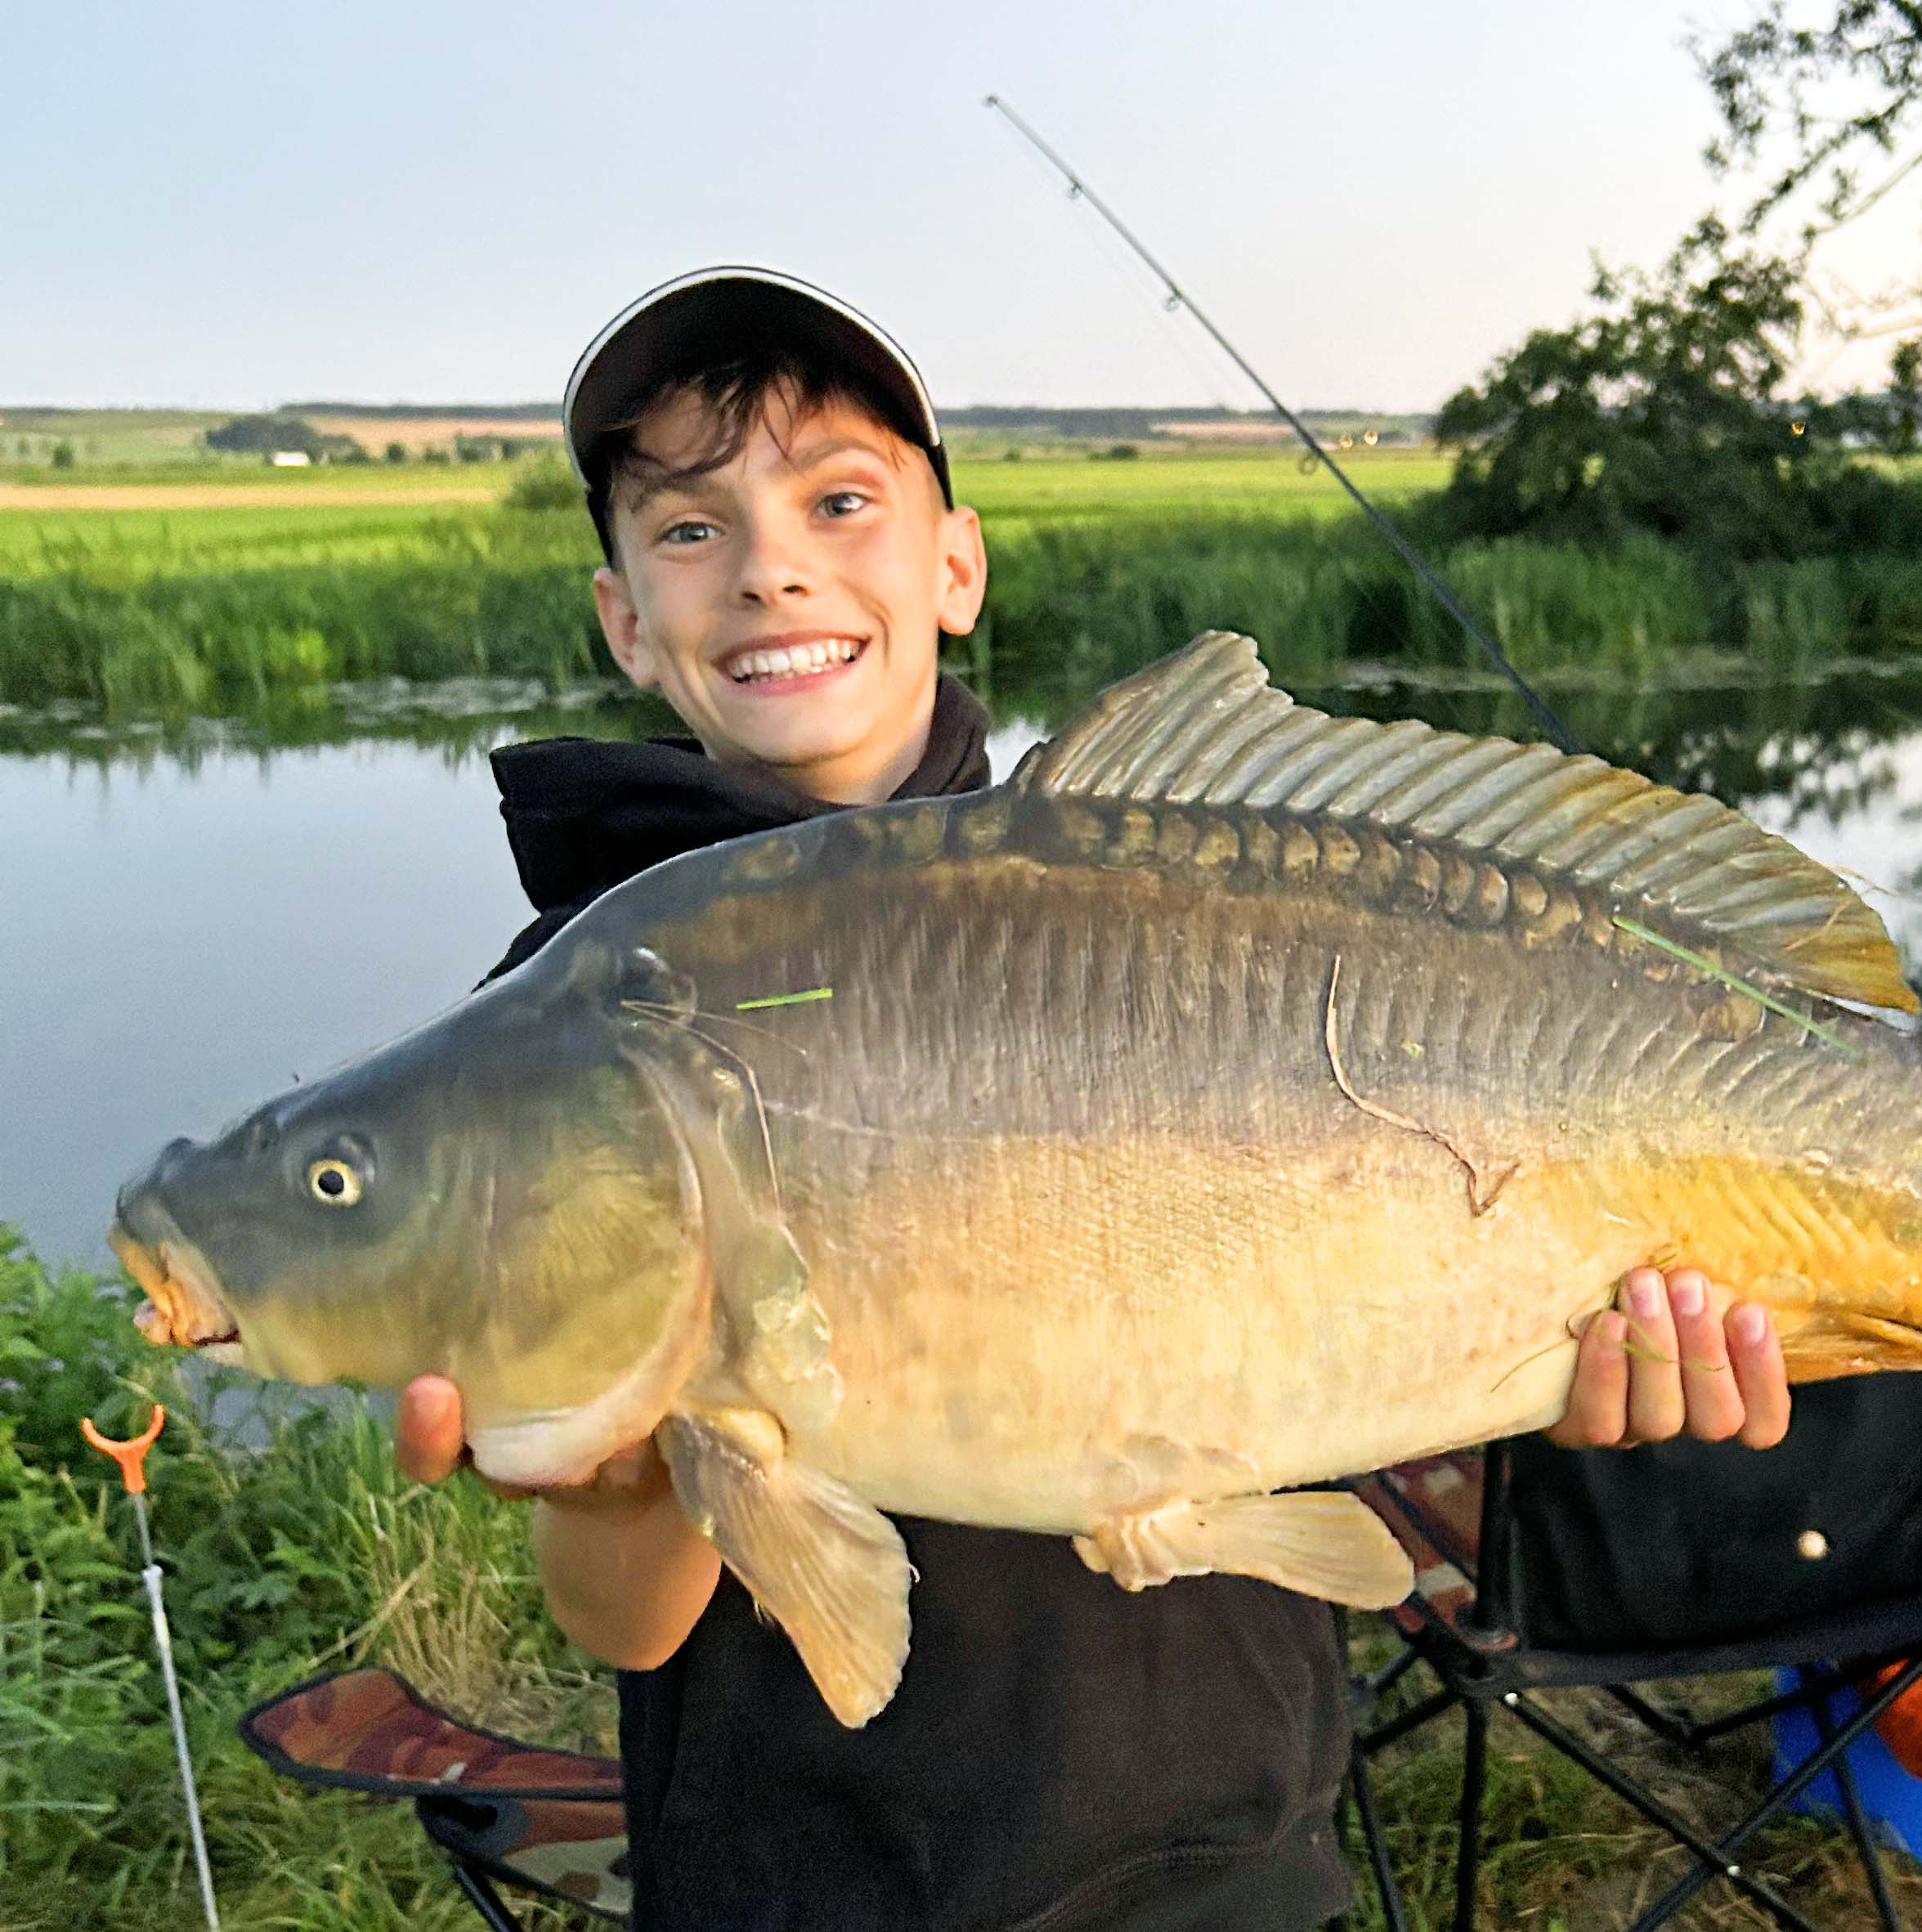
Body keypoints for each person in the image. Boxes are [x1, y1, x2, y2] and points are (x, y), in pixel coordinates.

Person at [391, 267, 1794, 1932]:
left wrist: (1566, 1365)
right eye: (689, 529)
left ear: (955, 568)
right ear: (625, 617)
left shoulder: (1161, 893)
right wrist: (626, 1454)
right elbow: (624, 1626)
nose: (771, 565)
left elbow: (1407, 1329)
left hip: (1233, 1858)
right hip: (813, 1884)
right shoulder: (567, 1019)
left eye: (840, 501)